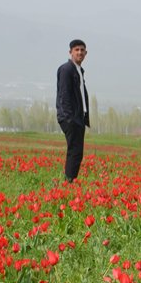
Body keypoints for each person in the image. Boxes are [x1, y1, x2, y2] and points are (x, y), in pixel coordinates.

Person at [55, 39, 90, 183]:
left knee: (76, 152)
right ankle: (68, 183)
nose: (80, 52)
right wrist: (70, 118)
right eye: (76, 50)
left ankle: (69, 181)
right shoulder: (66, 69)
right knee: (75, 152)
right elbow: (64, 95)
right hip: (71, 118)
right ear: (70, 52)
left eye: (82, 50)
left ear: (86, 53)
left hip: (78, 118)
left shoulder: (78, 70)